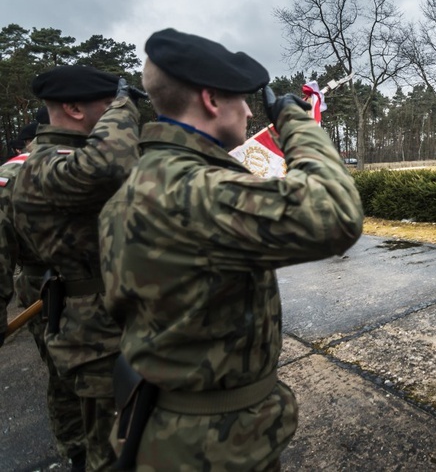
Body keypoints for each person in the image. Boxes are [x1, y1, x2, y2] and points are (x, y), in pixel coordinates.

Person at [98, 28, 364, 470]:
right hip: (216, 445)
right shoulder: (199, 191)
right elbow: (338, 212)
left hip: (165, 423)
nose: (246, 110)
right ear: (211, 100)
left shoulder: (134, 189)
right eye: (241, 98)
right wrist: (293, 120)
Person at [11, 65, 143, 471]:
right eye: (105, 105)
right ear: (72, 107)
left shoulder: (73, 160)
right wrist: (123, 106)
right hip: (95, 337)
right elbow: (108, 164)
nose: (115, 114)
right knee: (114, 449)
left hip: (115, 323)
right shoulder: (45, 164)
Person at [0, 122, 87, 470]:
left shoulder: (10, 172)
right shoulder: (103, 162)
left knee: (63, 378)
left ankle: (79, 452)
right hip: (65, 292)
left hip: (42, 293)